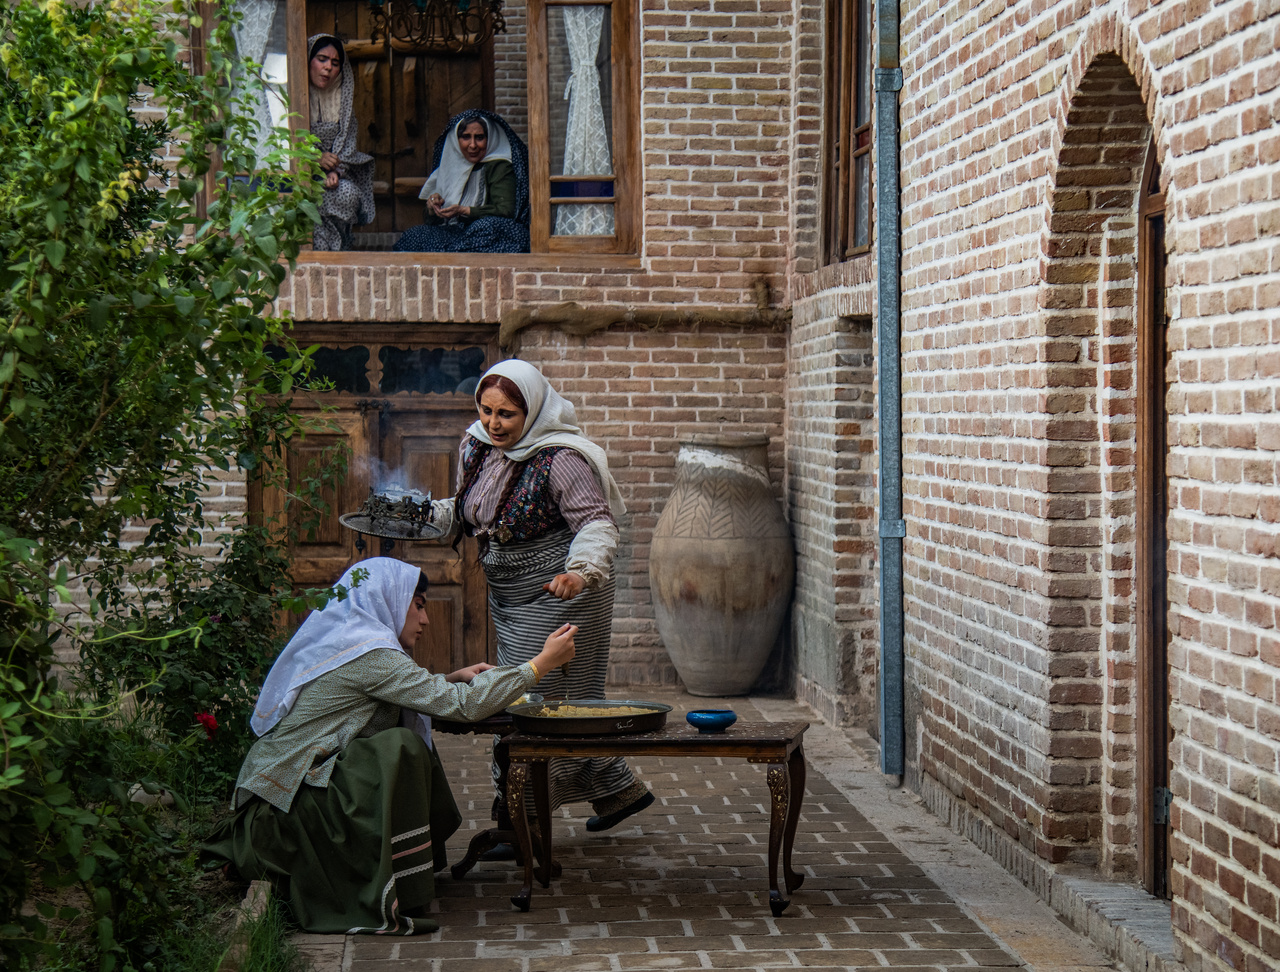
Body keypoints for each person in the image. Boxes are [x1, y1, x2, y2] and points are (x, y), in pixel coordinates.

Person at [203, 558, 576, 935]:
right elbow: (462, 705)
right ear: (389, 600)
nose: (425, 620)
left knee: (398, 741)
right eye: (418, 605)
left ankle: (395, 869)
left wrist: (447, 679)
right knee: (399, 747)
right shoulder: (371, 654)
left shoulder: (353, 643)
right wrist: (539, 664)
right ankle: (394, 887)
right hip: (284, 814)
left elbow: (394, 694)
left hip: (282, 800)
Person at [429, 359, 654, 835]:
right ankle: (615, 790)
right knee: (557, 698)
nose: (494, 423)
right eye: (486, 410)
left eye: (506, 414)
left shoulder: (560, 457)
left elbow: (596, 522)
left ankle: (522, 820)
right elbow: (468, 510)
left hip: (565, 590)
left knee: (533, 699)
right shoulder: (476, 445)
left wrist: (581, 571)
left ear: (531, 411)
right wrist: (418, 516)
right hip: (510, 593)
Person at [393, 109, 530, 253]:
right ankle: (455, 253)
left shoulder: (500, 166)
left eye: (479, 137)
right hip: (456, 233)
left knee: (487, 227)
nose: (472, 145)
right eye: (466, 137)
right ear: (456, 140)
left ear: (490, 139)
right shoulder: (450, 166)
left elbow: (506, 210)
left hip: (485, 231)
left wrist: (463, 210)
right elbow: (433, 223)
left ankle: (454, 253)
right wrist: (433, 207)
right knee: (414, 235)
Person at [307, 34, 375, 250]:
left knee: (346, 193)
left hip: (333, 174)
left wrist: (336, 170)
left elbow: (347, 141)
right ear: (308, 59)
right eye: (322, 59)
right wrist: (315, 160)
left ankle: (337, 252)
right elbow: (286, 141)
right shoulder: (293, 97)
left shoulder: (342, 101)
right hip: (301, 173)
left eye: (335, 63)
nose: (328, 67)